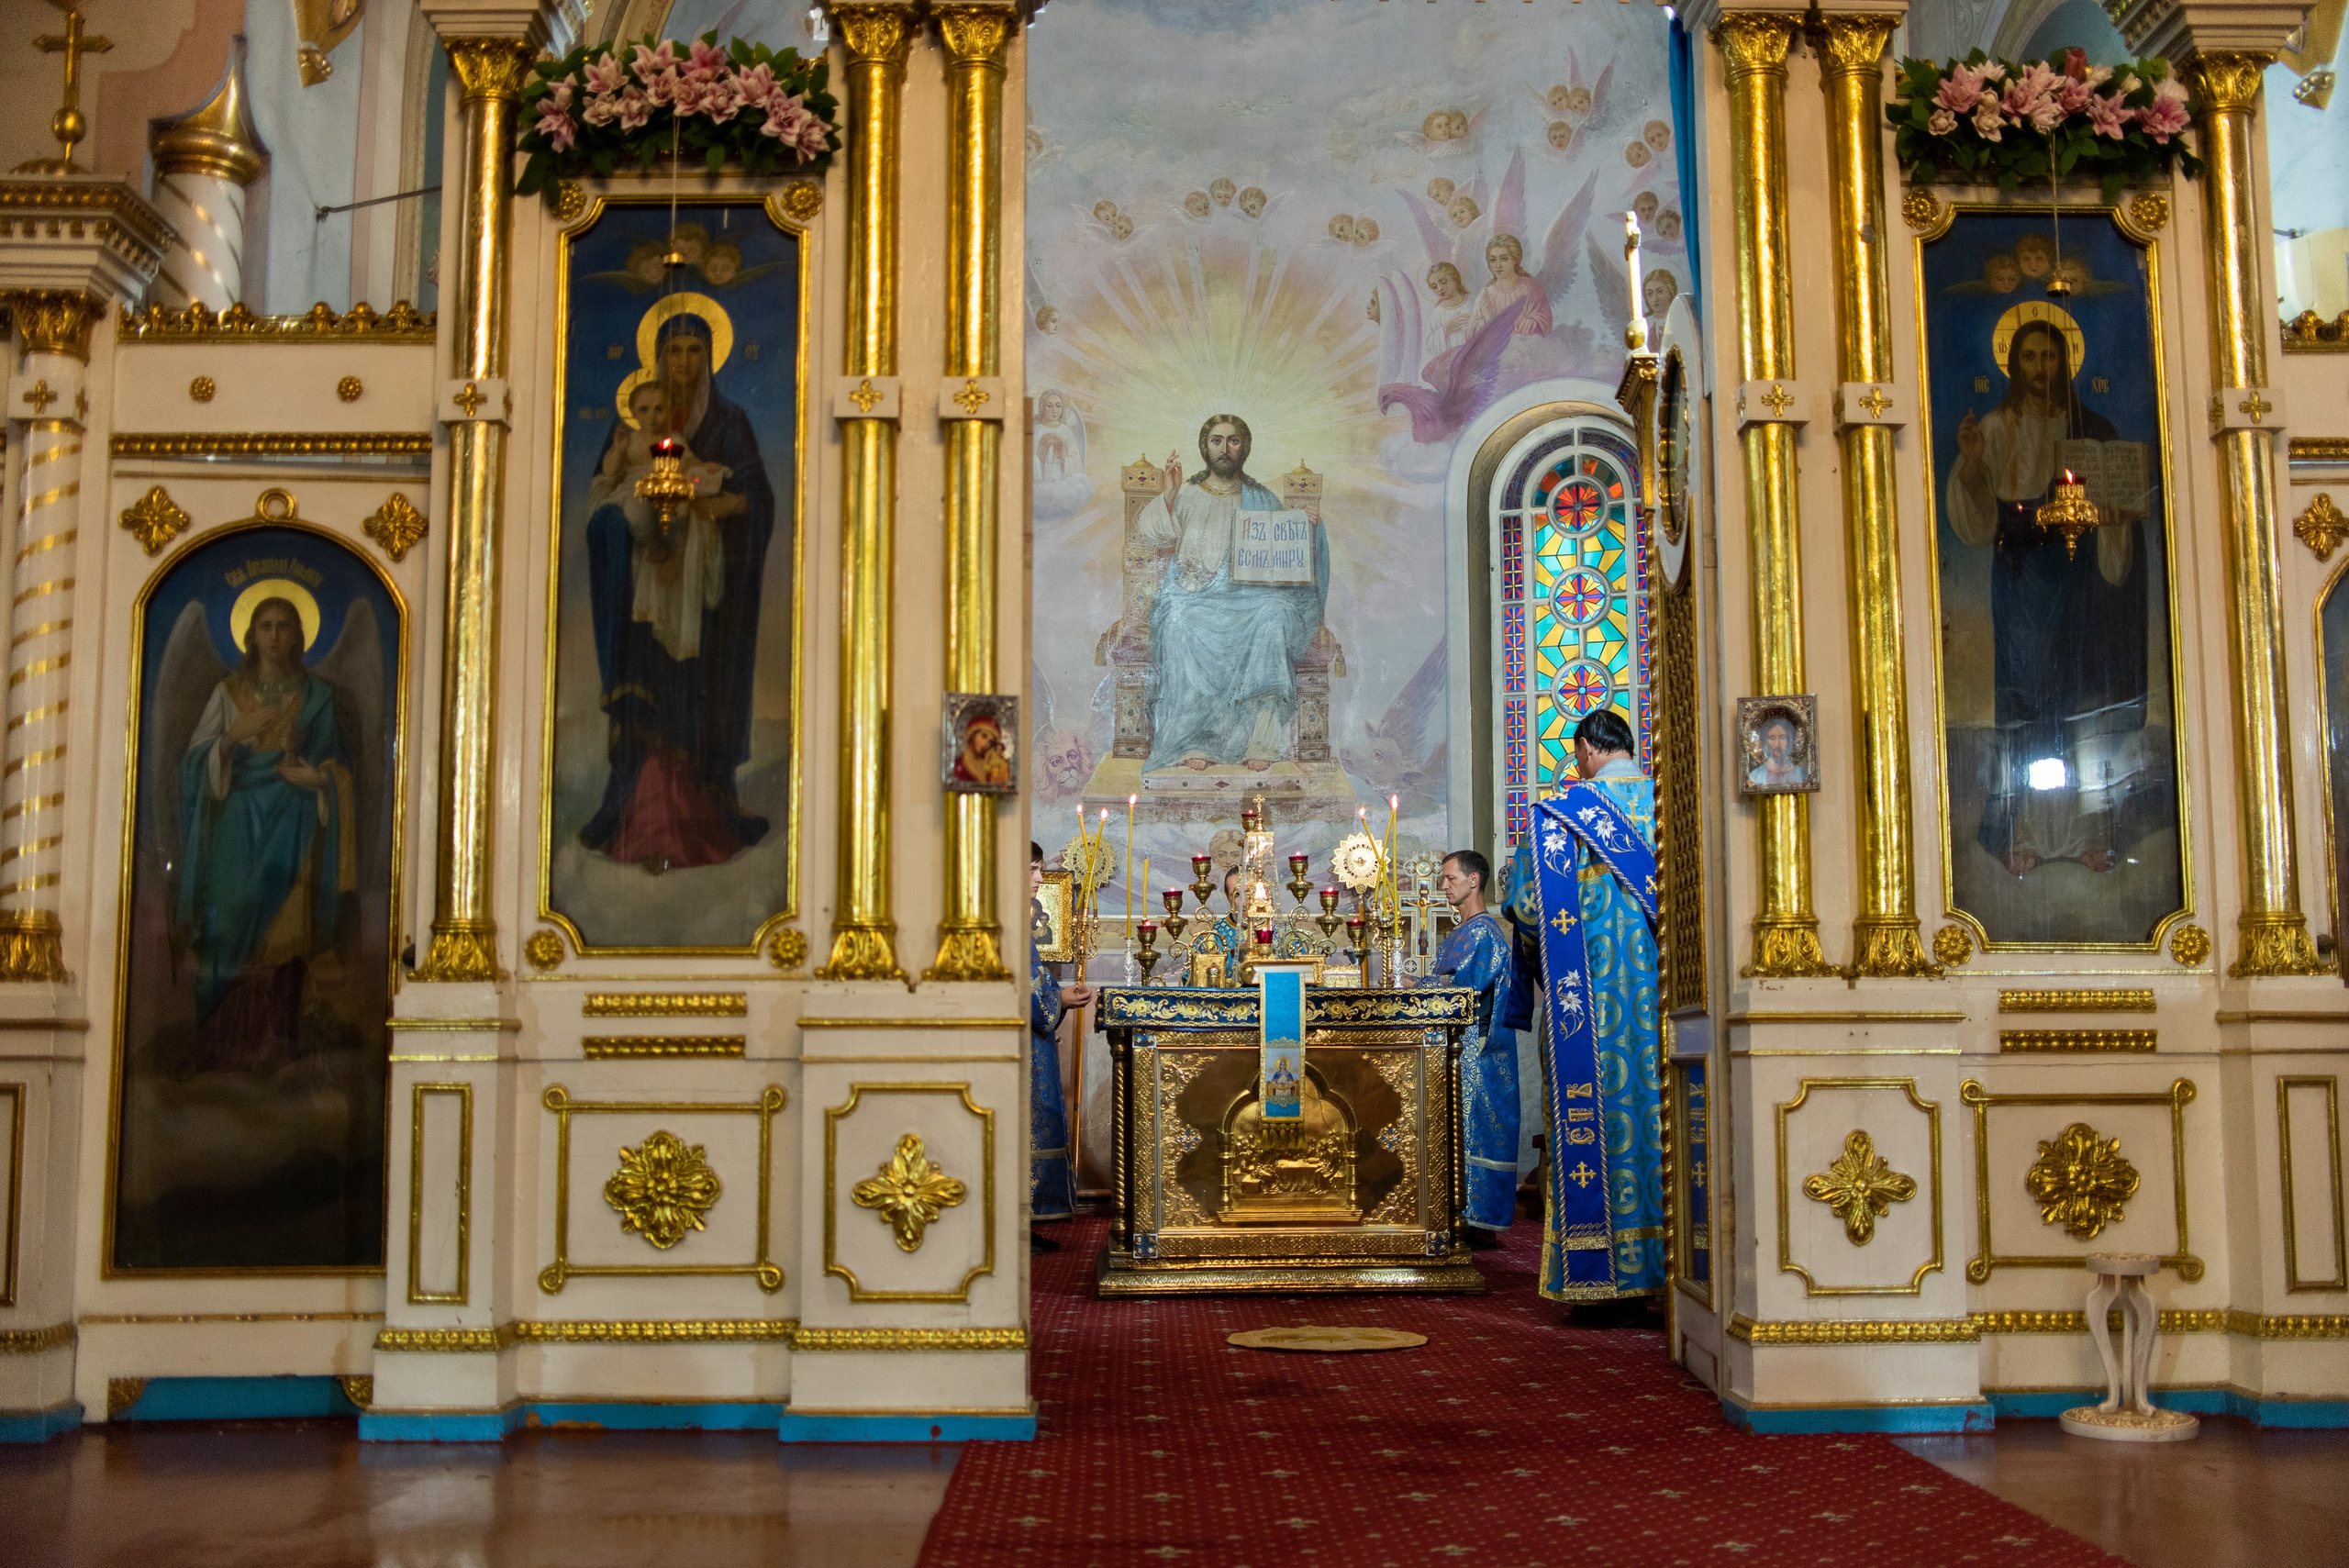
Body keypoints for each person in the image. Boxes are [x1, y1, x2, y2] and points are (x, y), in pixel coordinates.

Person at [1946, 317, 2154, 877]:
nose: (2042, 368)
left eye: (2051, 356)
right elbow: (1976, 522)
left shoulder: (2092, 428)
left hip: (2081, 582)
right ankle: (2021, 833)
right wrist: (1972, 464)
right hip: (2022, 584)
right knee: (2029, 700)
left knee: (2080, 699)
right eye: (2031, 357)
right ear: (2015, 364)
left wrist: (2113, 521)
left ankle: (2090, 834)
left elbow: (2121, 507)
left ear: (2065, 363)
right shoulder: (1995, 429)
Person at [583, 307, 777, 871]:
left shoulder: (729, 422)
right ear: (657, 358)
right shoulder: (631, 428)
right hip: (642, 593)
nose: (684, 362)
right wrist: (636, 535)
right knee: (646, 697)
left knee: (698, 691)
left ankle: (708, 810)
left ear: (710, 358)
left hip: (705, 596)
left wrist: (719, 506)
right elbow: (602, 501)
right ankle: (633, 812)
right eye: (673, 351)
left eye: (695, 350)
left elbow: (755, 498)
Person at [1514, 708, 1663, 1313]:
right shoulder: (1672, 804)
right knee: (1665, 1124)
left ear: (1586, 751)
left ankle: (1605, 1283)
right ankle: (1682, 1277)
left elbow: (1529, 908)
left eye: (1577, 757)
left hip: (1591, 1006)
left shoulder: (1562, 814)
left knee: (1601, 1125)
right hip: (1668, 1005)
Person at [177, 597, 358, 1071]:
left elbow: (340, 768)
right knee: (227, 925)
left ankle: (276, 1046)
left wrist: (320, 780)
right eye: (265, 626)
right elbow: (193, 766)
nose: (275, 636)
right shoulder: (227, 693)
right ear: (251, 635)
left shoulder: (318, 697)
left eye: (283, 626)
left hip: (295, 825)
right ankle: (215, 1047)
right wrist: (230, 738)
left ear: (298, 635)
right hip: (235, 829)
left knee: (286, 937)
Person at [1134, 415, 1329, 773]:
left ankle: (1260, 742)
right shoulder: (1187, 494)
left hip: (1249, 601)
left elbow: (1285, 550)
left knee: (1273, 617)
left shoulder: (1262, 498)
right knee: (1177, 621)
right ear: (1205, 447)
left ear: (1244, 448)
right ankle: (1194, 739)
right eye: (1217, 440)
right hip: (1194, 596)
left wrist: (1304, 522)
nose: (1225, 448)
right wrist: (1170, 493)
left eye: (1233, 441)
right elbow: (1150, 532)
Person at [1423, 849, 1518, 1247]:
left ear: (1474, 880)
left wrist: (1418, 987)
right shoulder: (1461, 932)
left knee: (1474, 1130)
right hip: (1456, 1049)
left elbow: (1465, 991)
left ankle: (1475, 1220)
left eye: (1450, 878)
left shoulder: (1484, 933)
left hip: (1477, 1053)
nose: (1443, 886)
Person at [1030, 842, 1090, 1251]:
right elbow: (1022, 987)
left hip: (1035, 1045)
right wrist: (1059, 998)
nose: (1040, 878)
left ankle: (1027, 1222)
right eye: (1033, 869)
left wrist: (1057, 995)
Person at [1747, 713, 1806, 788]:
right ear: (1765, 741)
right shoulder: (1755, 777)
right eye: (1772, 738)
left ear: (1789, 740)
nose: (1777, 745)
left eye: (1782, 737)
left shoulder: (1801, 775)